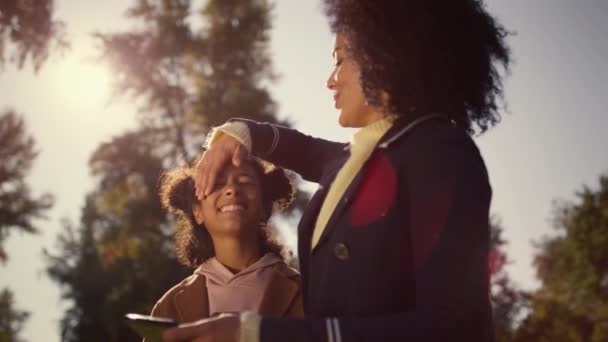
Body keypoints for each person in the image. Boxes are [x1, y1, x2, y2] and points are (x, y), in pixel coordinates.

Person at [164, 0, 511, 341]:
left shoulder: (438, 152)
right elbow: (300, 147)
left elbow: (454, 327)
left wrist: (257, 334)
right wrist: (238, 132)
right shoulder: (353, 159)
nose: (331, 80)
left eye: (340, 59)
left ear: (385, 55)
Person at [151, 157, 303, 327]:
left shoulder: (308, 294)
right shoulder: (168, 307)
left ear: (263, 207)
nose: (232, 189)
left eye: (245, 181)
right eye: (216, 184)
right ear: (197, 212)